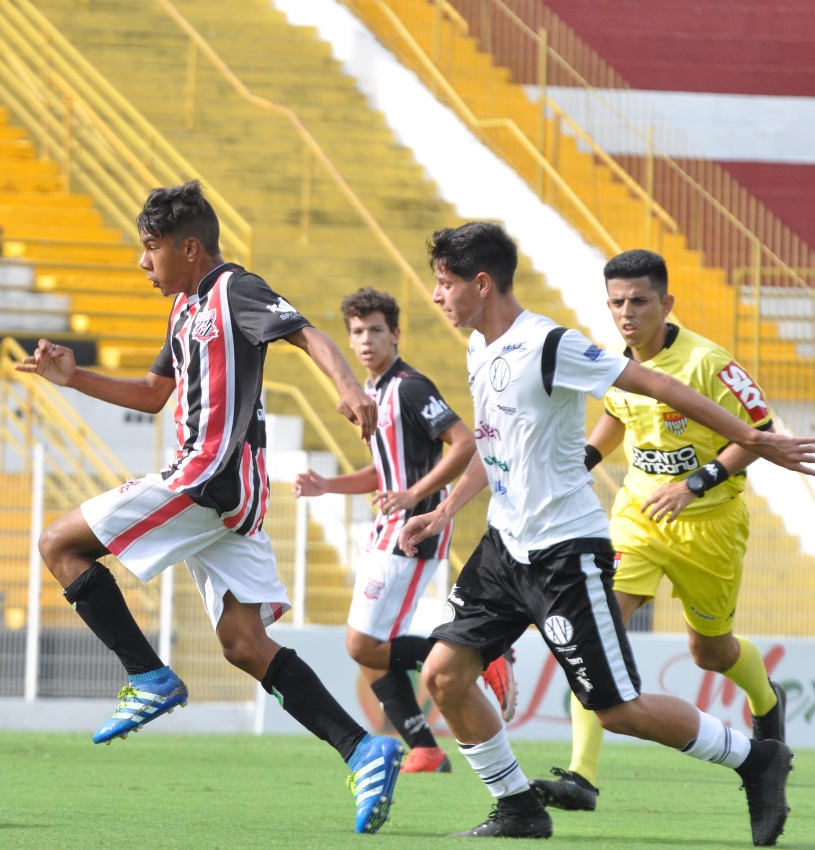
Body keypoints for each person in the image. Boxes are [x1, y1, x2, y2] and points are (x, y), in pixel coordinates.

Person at [400, 221, 808, 844]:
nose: (436, 296)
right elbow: (493, 444)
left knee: (618, 709)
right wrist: (446, 507)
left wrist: (751, 438)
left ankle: (756, 758)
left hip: (565, 552)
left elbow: (656, 384)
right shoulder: (479, 350)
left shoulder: (548, 344)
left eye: (444, 283)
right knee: (443, 675)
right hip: (504, 548)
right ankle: (517, 809)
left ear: (480, 284)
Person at [16, 180, 402, 834]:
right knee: (244, 644)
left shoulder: (233, 290)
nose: (143, 262)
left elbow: (307, 334)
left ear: (189, 247)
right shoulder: (184, 309)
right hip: (228, 488)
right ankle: (364, 749)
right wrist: (72, 376)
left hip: (208, 478)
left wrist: (348, 390)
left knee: (58, 543)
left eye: (151, 248)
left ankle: (148, 677)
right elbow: (150, 393)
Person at [531, 249, 787, 813]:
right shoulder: (612, 362)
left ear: (666, 303)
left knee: (710, 653)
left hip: (710, 523)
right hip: (638, 518)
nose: (627, 312)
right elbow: (620, 416)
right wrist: (583, 461)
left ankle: (768, 704)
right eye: (618, 302)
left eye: (640, 301)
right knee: (593, 630)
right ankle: (582, 775)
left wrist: (696, 483)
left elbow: (760, 434)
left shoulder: (707, 362)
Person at [294, 287, 514, 775]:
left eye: (376, 330)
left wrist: (415, 497)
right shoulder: (370, 394)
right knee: (370, 650)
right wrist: (327, 485)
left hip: (415, 531)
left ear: (395, 333)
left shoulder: (410, 387)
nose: (366, 340)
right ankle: (425, 748)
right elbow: (384, 471)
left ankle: (482, 654)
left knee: (362, 644)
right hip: (386, 526)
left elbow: (464, 445)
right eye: (357, 332)